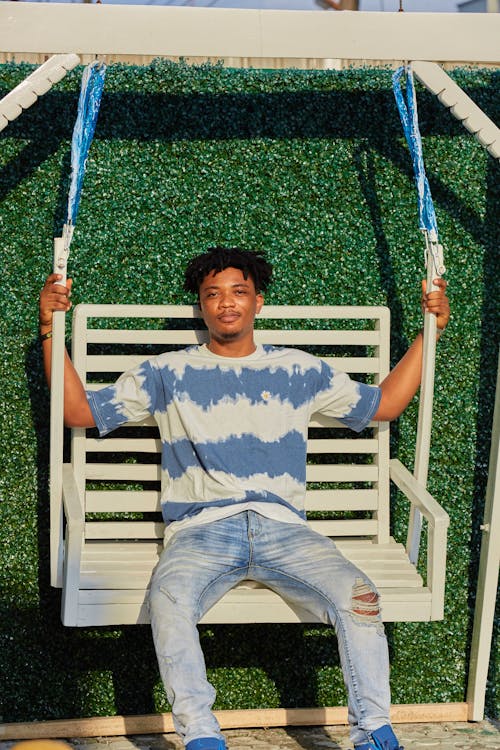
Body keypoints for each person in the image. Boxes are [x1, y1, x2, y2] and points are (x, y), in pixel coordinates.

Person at [39, 247, 450, 750]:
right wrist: (49, 328)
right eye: (213, 294)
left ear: (259, 303)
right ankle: (203, 738)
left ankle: (374, 733)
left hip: (284, 530)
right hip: (199, 531)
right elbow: (79, 411)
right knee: (169, 603)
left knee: (359, 597)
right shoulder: (165, 372)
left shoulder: (301, 371)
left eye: (238, 292)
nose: (225, 303)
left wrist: (428, 336)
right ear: (201, 306)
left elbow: (384, 404)